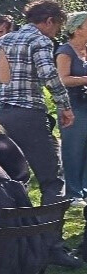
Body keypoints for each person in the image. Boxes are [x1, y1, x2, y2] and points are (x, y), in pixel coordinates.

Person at [0, 0, 82, 267]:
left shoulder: (1, 42)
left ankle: (13, 242)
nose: (57, 32)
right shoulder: (39, 40)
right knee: (52, 181)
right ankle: (51, 247)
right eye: (57, 25)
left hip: (2, 115)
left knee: (12, 180)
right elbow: (50, 76)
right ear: (48, 20)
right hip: (30, 114)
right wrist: (64, 106)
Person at [56, 11, 87, 210]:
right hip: (71, 106)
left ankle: (85, 188)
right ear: (77, 29)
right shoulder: (65, 51)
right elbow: (62, 78)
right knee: (73, 149)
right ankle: (73, 192)